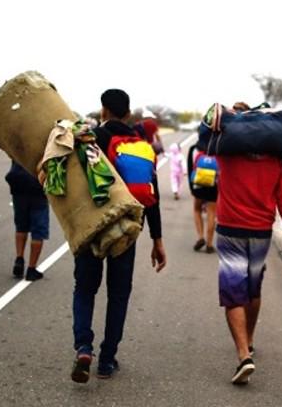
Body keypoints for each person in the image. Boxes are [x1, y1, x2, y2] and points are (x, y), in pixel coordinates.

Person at [71, 89, 167, 383]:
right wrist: (157, 240)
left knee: (85, 289)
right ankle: (107, 359)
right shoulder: (141, 145)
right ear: (127, 113)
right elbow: (152, 195)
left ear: (104, 110)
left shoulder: (90, 140)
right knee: (119, 294)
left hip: (93, 226)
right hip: (126, 229)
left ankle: (84, 347)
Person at [215, 101, 282, 385]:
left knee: (233, 292)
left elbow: (212, 133)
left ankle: (244, 355)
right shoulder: (277, 160)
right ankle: (250, 340)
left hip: (229, 229)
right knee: (253, 288)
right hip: (260, 232)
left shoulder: (226, 153)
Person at [5, 161, 48, 281]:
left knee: (21, 226)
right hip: (37, 185)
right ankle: (31, 268)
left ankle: (19, 258)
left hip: (18, 183)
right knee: (38, 230)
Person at [186, 143, 217, 253]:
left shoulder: (197, 152)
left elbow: (192, 169)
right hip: (213, 185)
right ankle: (209, 244)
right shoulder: (218, 151)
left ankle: (200, 237)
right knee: (211, 213)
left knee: (197, 209)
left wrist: (192, 188)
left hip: (199, 184)